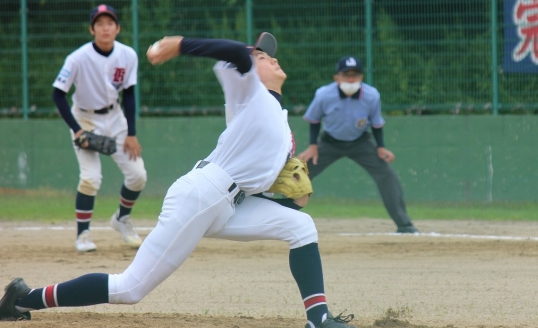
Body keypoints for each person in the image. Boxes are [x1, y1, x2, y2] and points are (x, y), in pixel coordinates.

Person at [0, 33, 356, 328]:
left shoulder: (280, 121)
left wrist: (290, 202)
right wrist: (180, 44)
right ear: (250, 70)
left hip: (231, 204)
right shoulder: (249, 92)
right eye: (262, 57)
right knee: (130, 288)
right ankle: (23, 298)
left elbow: (258, 184)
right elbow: (235, 54)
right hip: (202, 194)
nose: (272, 59)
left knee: (301, 227)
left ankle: (319, 319)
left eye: (269, 55)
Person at [52, 4, 147, 252]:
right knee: (91, 178)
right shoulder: (77, 58)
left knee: (138, 175)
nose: (105, 28)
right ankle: (83, 235)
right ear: (92, 29)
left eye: (110, 23)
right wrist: (77, 130)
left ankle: (122, 219)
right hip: (85, 119)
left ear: (117, 28)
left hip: (115, 119)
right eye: (99, 23)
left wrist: (132, 133)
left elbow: (129, 95)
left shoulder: (128, 55)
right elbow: (58, 94)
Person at [297, 56, 418, 234]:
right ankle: (281, 219)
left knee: (386, 175)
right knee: (299, 174)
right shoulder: (324, 94)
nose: (351, 79)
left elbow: (376, 124)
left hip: (361, 142)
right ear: (337, 78)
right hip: (329, 142)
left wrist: (380, 147)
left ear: (361, 77)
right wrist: (313, 146)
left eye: (355, 75)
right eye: (346, 75)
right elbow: (314, 120)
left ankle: (405, 225)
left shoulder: (371, 95)